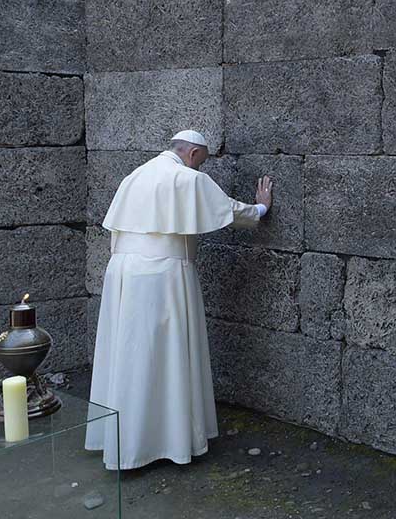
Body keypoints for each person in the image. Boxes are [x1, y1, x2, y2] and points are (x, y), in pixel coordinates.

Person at [85, 130, 272, 470]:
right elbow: (227, 211)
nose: (200, 168)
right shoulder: (184, 178)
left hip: (122, 273)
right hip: (162, 276)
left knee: (127, 354)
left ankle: (121, 442)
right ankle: (161, 441)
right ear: (193, 154)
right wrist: (260, 207)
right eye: (202, 161)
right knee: (162, 356)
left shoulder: (134, 176)